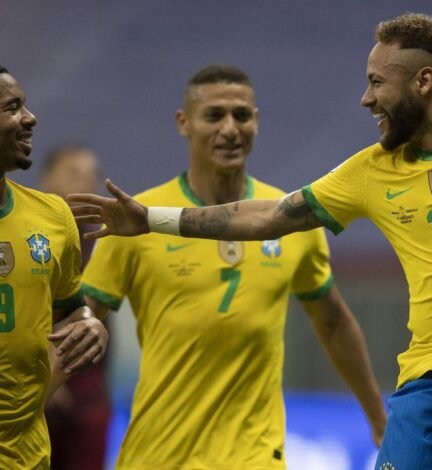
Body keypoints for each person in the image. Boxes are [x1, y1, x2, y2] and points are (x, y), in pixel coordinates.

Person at [70, 14, 432, 470]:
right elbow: (270, 217)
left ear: (426, 81)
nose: (366, 99)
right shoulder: (370, 171)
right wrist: (152, 219)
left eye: (377, 83)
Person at [78, 64, 386, 469]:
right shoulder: (136, 221)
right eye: (214, 115)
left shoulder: (291, 218)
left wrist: (380, 419)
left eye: (241, 115)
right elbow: (77, 331)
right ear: (183, 123)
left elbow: (333, 322)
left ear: (256, 122)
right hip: (158, 454)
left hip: (255, 455)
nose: (230, 128)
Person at [0, 66, 108, 468]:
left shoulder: (53, 218)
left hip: (30, 455)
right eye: (13, 107)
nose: (31, 117)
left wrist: (89, 323)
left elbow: (71, 311)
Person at [40, 144, 111, 470]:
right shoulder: (28, 239)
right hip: (30, 395)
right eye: (73, 174)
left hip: (88, 397)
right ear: (46, 181)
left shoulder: (105, 244)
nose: (83, 184)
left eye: (90, 177)